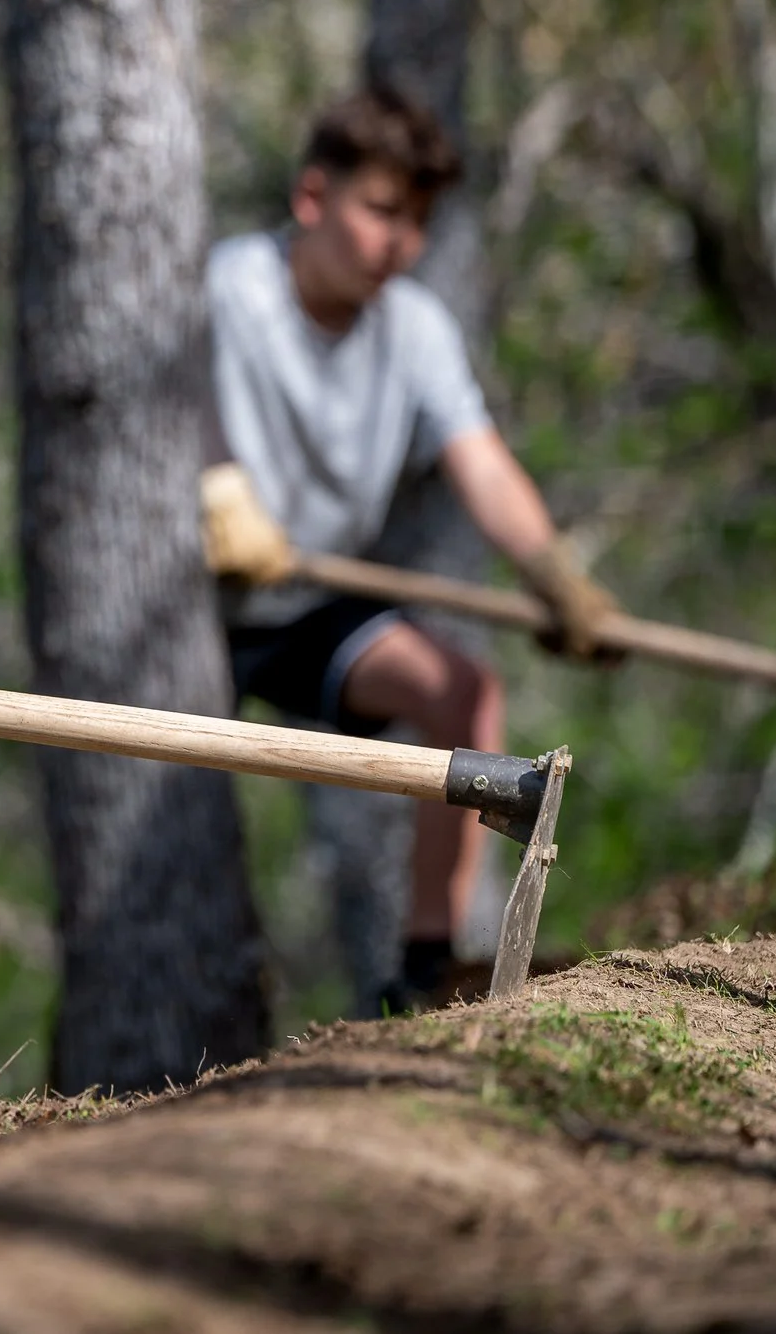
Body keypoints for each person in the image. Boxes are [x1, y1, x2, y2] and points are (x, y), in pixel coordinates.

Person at [197, 86, 616, 1007]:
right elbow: (153, 403)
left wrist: (552, 573)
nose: (401, 242)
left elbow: (484, 466)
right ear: (313, 197)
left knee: (467, 694)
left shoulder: (415, 330)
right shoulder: (231, 285)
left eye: (417, 220)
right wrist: (217, 485)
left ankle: (428, 969)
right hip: (183, 615)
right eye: (382, 211)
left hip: (308, 605)